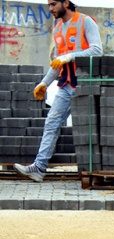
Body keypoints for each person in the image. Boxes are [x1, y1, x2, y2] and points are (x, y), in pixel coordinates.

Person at [14, 0, 102, 182]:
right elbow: (57, 63)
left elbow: (97, 50)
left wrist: (70, 56)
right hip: (66, 85)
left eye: (53, 4)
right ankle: (38, 168)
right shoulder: (57, 28)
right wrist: (44, 83)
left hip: (86, 84)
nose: (50, 9)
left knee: (90, 130)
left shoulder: (86, 22)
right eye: (49, 5)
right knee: (51, 122)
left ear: (66, 3)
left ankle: (97, 170)